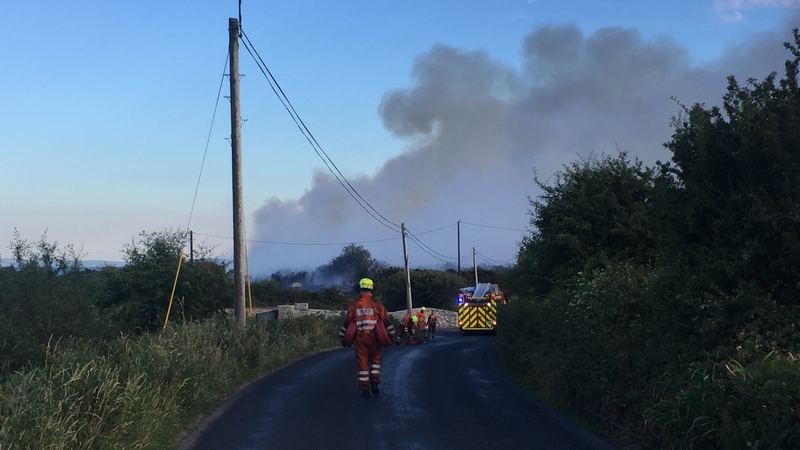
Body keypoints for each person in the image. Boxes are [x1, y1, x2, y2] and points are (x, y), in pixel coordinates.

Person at [339, 278, 396, 397]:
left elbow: (347, 322)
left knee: (362, 363)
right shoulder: (377, 304)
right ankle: (375, 383)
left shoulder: (354, 305)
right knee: (375, 361)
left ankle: (365, 388)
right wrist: (392, 335)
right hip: (375, 337)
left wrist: (342, 336)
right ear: (371, 288)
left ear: (360, 288)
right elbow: (386, 321)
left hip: (360, 338)